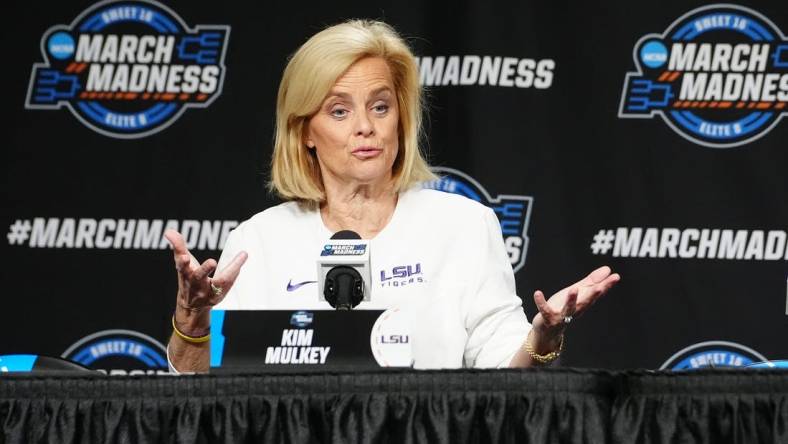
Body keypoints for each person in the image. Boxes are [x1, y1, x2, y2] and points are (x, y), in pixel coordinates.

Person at [164, 20, 620, 373]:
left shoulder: (465, 226)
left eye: (380, 106)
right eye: (339, 111)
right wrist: (192, 322)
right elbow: (203, 391)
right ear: (305, 131)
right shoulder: (258, 240)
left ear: (400, 118)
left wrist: (541, 339)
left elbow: (505, 374)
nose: (366, 126)